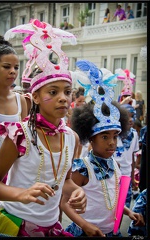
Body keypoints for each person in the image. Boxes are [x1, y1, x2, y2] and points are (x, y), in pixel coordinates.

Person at [0, 19, 87, 237]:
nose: (63, 98)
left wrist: (77, 191)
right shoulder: (20, 134)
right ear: (34, 97)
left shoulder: (71, 138)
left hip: (50, 226)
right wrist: (20, 194)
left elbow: (66, 181)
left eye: (67, 91)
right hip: (16, 224)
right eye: (53, 92)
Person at [61, 60, 144, 237]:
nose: (112, 143)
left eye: (115, 136)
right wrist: (85, 225)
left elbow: (113, 199)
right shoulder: (83, 168)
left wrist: (128, 212)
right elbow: (64, 202)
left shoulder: (115, 164)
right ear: (91, 137)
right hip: (86, 233)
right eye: (105, 137)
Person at [0, 35, 27, 161]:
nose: (13, 71)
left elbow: (25, 140)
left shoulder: (21, 100)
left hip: (14, 172)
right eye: (7, 67)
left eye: (16, 67)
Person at [114, 104, 139, 209]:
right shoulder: (114, 133)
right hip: (113, 177)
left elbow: (132, 157)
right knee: (112, 207)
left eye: (132, 115)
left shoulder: (134, 134)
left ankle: (118, 226)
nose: (130, 119)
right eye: (127, 116)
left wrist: (133, 178)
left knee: (123, 208)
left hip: (127, 178)